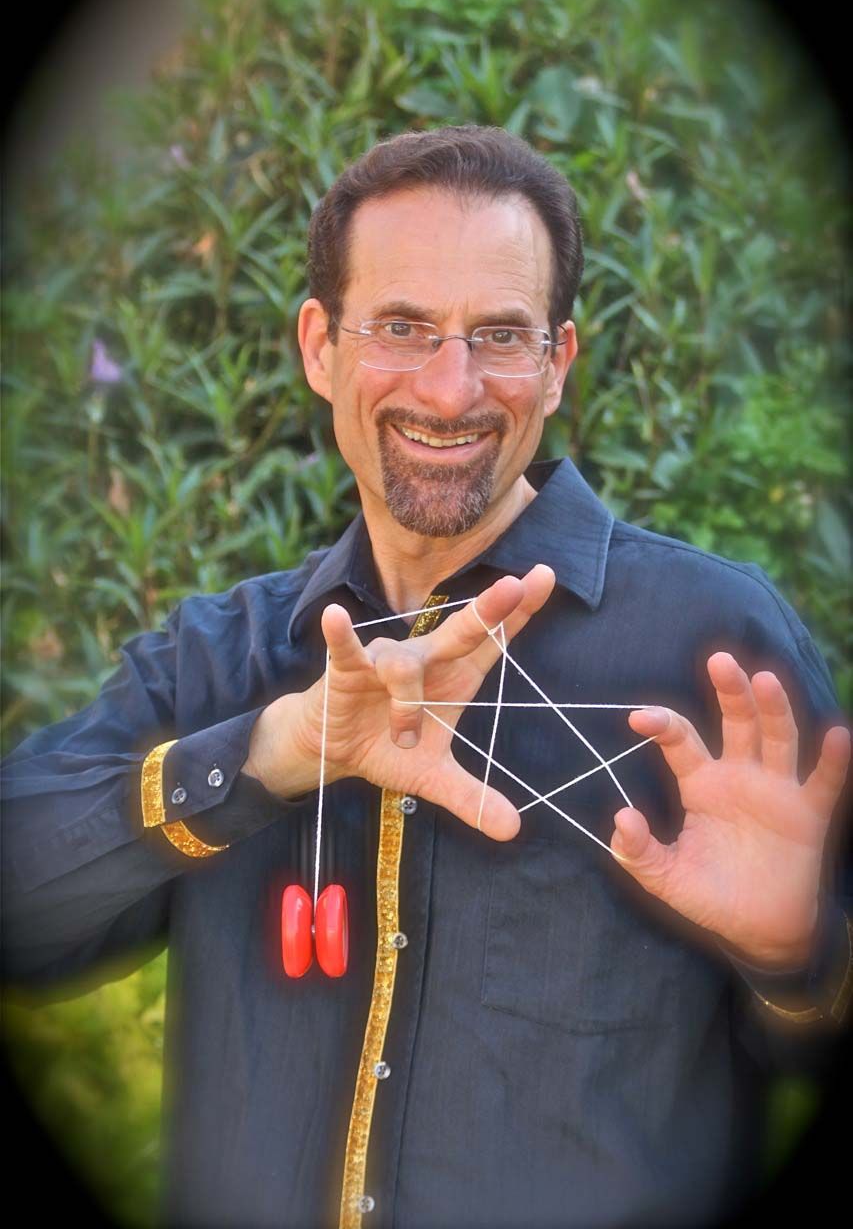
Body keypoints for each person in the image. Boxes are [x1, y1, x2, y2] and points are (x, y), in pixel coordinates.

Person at [2, 125, 850, 1229]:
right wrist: (265, 755)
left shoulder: (716, 647)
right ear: (320, 346)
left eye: (499, 336)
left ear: (556, 364)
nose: (451, 392)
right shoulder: (221, 656)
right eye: (402, 327)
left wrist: (801, 961)